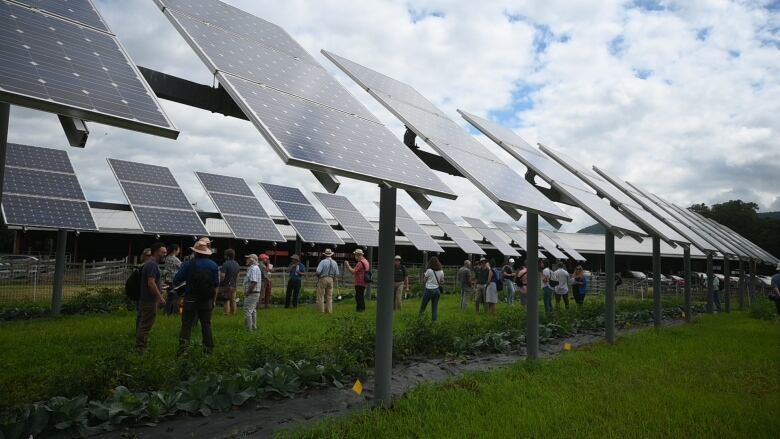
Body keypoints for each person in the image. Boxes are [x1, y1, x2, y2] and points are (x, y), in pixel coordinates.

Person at [173, 240, 219, 354]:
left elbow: (177, 280)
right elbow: (216, 285)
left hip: (190, 299)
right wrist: (213, 300)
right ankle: (208, 350)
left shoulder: (189, 264)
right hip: (206, 300)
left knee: (187, 325)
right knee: (206, 324)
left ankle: (183, 350)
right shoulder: (213, 265)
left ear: (195, 252)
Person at [135, 243, 167, 352]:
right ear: (156, 251)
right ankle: (140, 349)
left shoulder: (149, 264)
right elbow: (151, 283)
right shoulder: (152, 265)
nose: (165, 254)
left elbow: (152, 282)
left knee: (145, 323)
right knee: (145, 325)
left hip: (147, 299)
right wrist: (160, 298)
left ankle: (142, 346)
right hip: (149, 300)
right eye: (163, 252)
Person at [419, 256, 444, 321]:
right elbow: (442, 282)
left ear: (430, 263)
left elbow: (424, 280)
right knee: (435, 308)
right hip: (437, 291)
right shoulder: (441, 271)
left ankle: (420, 320)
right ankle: (434, 322)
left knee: (423, 306)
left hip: (429, 290)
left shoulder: (429, 270)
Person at [315, 248, 339, 314]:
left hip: (323, 278)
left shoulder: (323, 262)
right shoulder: (335, 262)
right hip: (331, 279)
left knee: (321, 295)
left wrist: (318, 276)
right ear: (331, 254)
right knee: (329, 296)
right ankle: (329, 311)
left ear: (325, 255)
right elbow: (336, 273)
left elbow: (318, 271)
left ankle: (321, 311)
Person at [242, 254, 262, 330]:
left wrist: (248, 292)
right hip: (255, 292)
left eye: (248, 258)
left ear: (252, 260)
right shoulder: (254, 268)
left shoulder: (253, 268)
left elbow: (254, 282)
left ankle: (248, 329)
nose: (246, 260)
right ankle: (253, 327)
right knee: (252, 310)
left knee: (248, 310)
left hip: (252, 293)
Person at [219, 249, 240, 315]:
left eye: (225, 255)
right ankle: (233, 313)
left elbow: (222, 276)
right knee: (233, 300)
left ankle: (226, 313)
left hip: (226, 285)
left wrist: (220, 282)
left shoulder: (225, 264)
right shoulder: (237, 264)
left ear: (227, 256)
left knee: (226, 299)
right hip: (234, 285)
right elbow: (238, 276)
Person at [163, 245, 182, 315]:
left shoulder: (167, 258)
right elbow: (182, 267)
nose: (179, 251)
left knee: (169, 297)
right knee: (176, 297)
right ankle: (175, 312)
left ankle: (167, 312)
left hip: (168, 280)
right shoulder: (175, 259)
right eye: (178, 250)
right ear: (174, 250)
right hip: (175, 280)